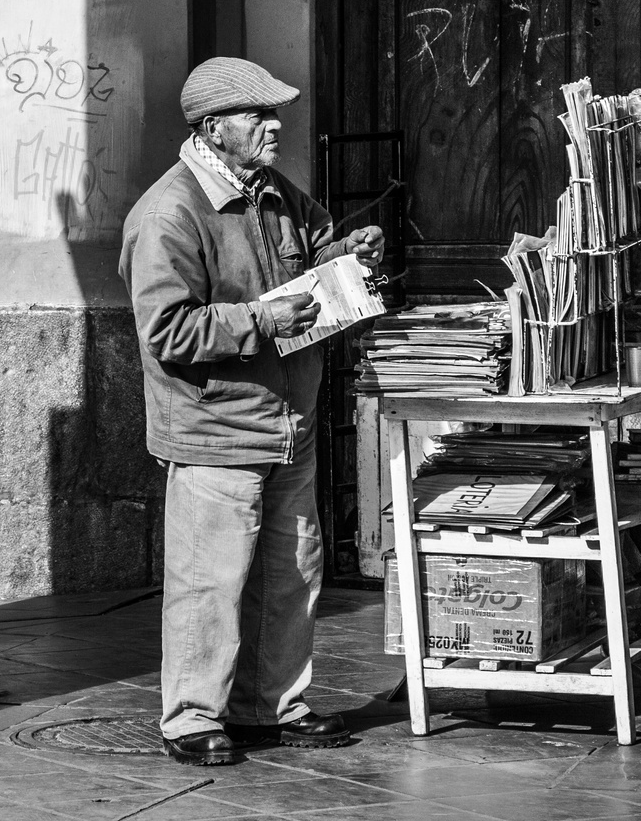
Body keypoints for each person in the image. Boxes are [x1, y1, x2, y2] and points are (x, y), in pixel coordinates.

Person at [118, 57, 385, 766]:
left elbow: (313, 248)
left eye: (274, 114)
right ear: (213, 129)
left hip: (287, 423)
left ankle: (272, 706)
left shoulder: (275, 193)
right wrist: (260, 320)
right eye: (257, 117)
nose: (273, 127)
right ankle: (192, 717)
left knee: (290, 576)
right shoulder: (170, 213)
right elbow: (168, 332)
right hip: (216, 428)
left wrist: (347, 252)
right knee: (210, 583)